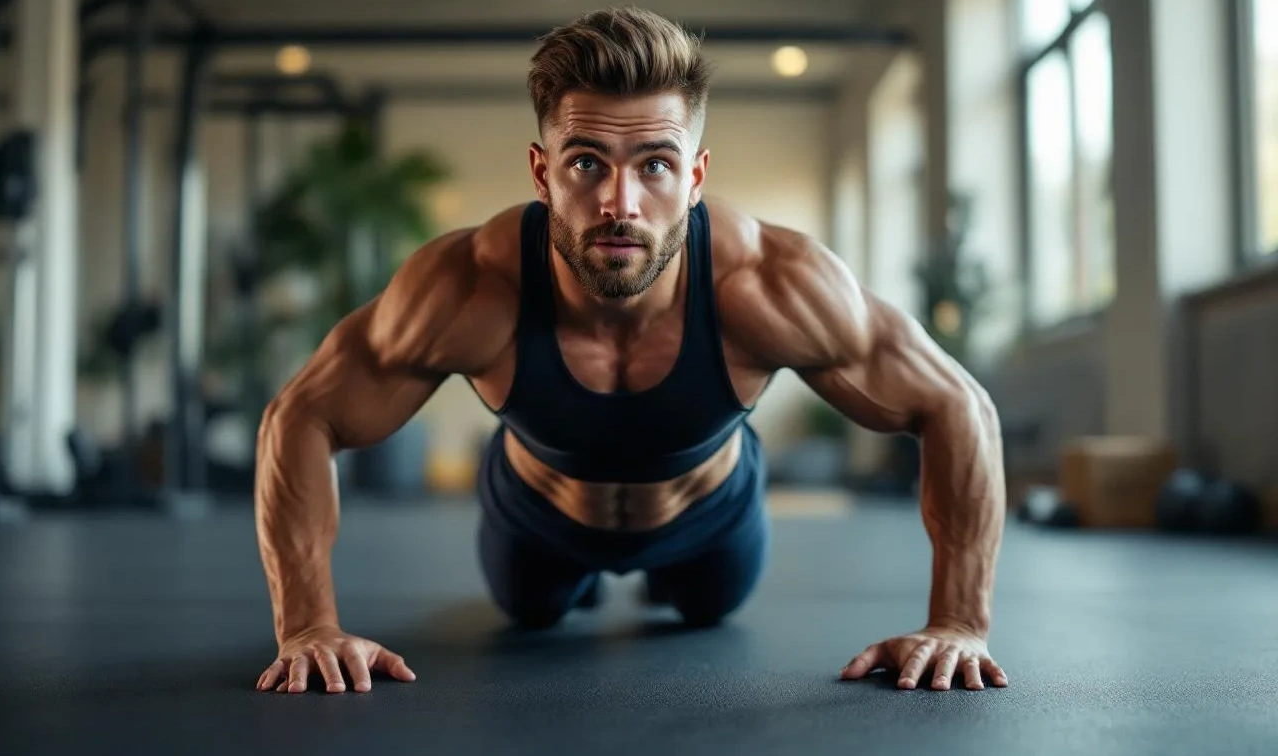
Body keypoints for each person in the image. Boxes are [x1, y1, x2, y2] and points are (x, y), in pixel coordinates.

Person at [254, 7, 1008, 697]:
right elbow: (302, 414)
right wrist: (309, 627)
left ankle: (672, 571)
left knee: (704, 612)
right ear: (542, 172)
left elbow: (955, 404)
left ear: (696, 178)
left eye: (655, 163)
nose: (621, 201)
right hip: (534, 518)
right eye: (587, 162)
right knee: (533, 616)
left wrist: (958, 623)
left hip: (709, 517)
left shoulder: (769, 284)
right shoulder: (470, 286)